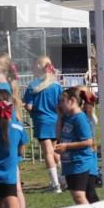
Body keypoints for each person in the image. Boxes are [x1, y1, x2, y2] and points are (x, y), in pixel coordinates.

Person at [0, 53, 27, 208]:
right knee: (14, 188)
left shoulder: (0, 89)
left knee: (15, 189)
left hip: (6, 134)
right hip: (9, 137)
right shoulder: (2, 86)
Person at [23, 55, 63, 193]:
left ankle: (55, 184)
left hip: (42, 120)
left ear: (39, 67)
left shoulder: (33, 85)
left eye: (34, 65)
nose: (32, 68)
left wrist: (33, 112)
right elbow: (61, 104)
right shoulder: (57, 85)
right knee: (54, 150)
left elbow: (28, 106)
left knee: (48, 153)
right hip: (55, 120)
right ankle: (64, 179)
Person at [55, 87, 100, 204]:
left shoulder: (79, 118)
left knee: (80, 195)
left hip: (80, 161)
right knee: (82, 195)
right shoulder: (67, 117)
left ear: (72, 101)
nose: (60, 104)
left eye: (62, 101)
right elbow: (58, 137)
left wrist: (66, 146)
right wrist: (59, 118)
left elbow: (89, 141)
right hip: (70, 162)